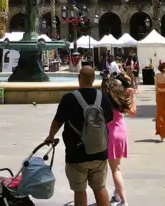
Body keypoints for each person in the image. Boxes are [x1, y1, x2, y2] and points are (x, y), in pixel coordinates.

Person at [45, 66, 114, 206]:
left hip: (76, 154)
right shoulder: (103, 98)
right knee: (100, 187)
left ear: (79, 79)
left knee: (80, 190)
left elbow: (57, 121)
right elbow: (109, 118)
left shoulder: (69, 98)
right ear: (94, 79)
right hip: (99, 152)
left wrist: (50, 136)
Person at [102, 71, 134, 206]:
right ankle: (116, 193)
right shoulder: (121, 99)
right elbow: (132, 113)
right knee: (117, 166)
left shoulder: (104, 101)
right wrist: (132, 96)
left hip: (111, 133)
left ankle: (123, 201)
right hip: (122, 132)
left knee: (115, 169)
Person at [154, 60, 165, 143]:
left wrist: (156, 98)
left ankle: (161, 134)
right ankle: (164, 135)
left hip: (159, 96)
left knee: (159, 115)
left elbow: (156, 88)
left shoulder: (157, 76)